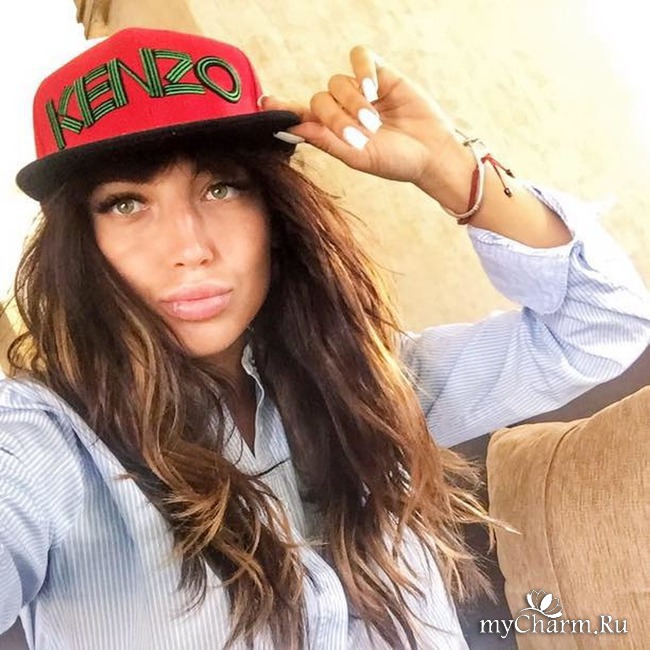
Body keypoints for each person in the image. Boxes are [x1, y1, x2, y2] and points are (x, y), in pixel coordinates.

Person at [0, 26, 648, 650]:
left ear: (274, 215)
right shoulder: (43, 438)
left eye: (221, 188)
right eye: (126, 203)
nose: (190, 248)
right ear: (78, 244)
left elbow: (603, 323)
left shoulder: (371, 381)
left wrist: (452, 168)